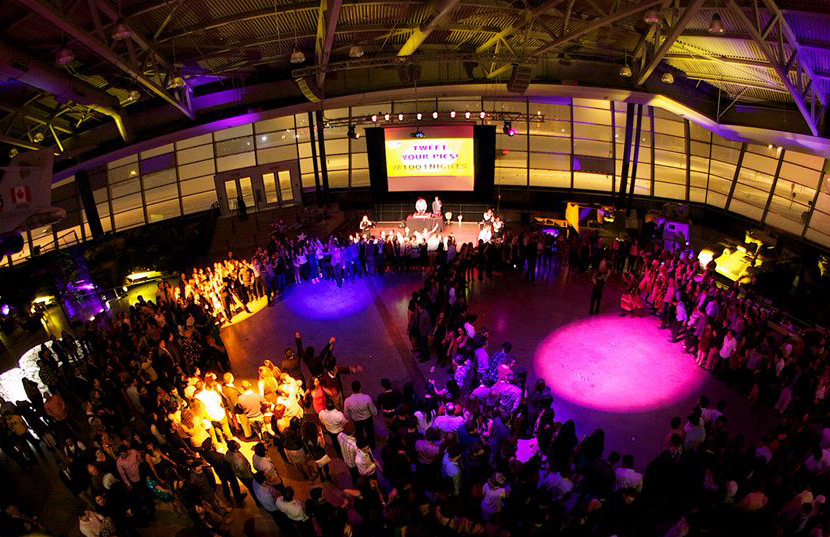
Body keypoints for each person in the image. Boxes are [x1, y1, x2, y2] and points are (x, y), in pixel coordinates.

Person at [344, 380, 377, 449]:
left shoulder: (347, 401)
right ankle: (372, 445)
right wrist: (375, 414)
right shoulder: (366, 397)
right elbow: (372, 408)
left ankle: (361, 446)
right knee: (370, 432)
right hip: (367, 418)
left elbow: (346, 413)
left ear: (352, 389)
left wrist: (349, 419)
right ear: (360, 388)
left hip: (356, 420)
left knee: (359, 433)